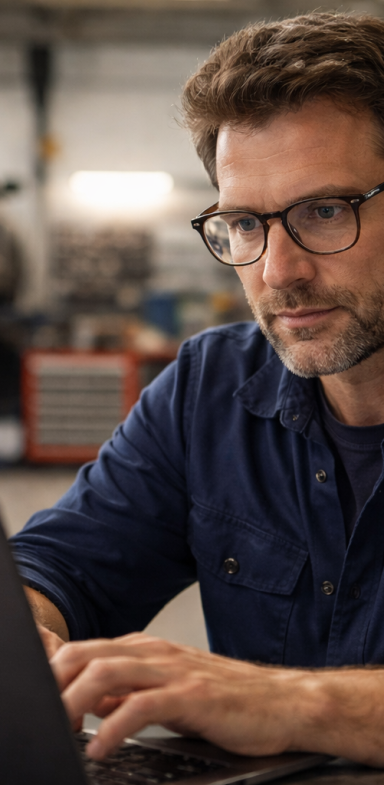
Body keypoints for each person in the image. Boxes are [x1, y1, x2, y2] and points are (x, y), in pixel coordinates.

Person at [11, 9, 384, 767]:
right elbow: (63, 564)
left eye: (324, 210)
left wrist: (286, 702)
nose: (279, 272)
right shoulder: (210, 389)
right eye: (245, 223)